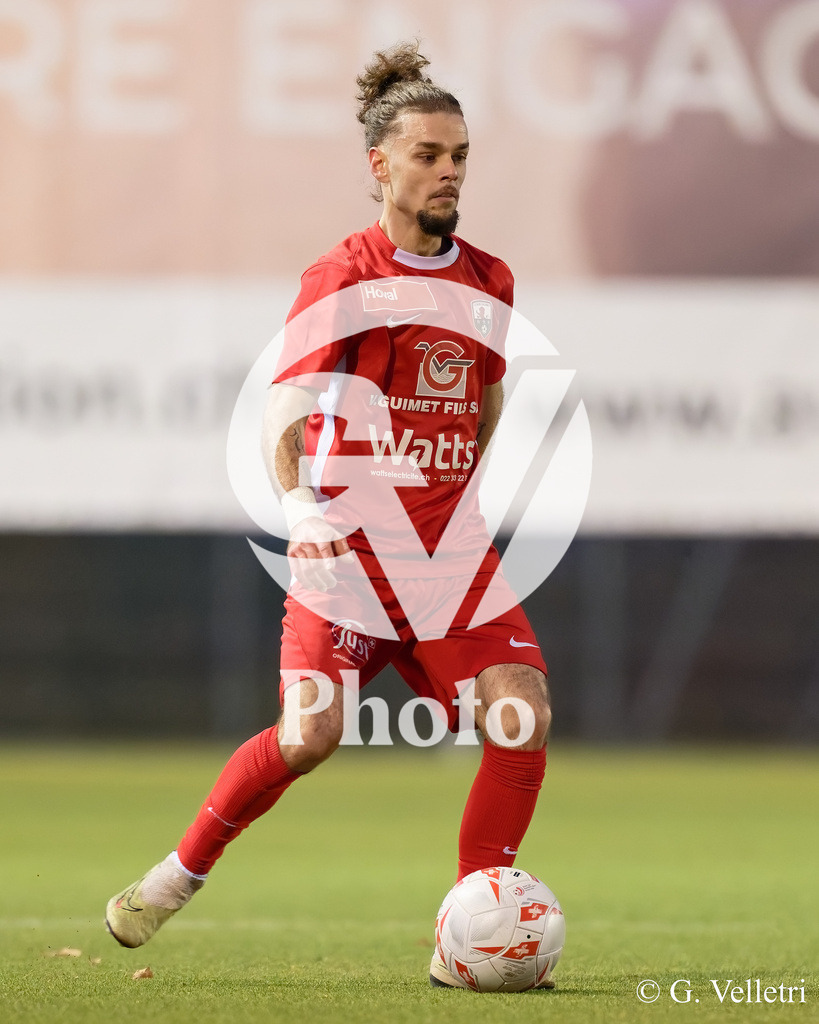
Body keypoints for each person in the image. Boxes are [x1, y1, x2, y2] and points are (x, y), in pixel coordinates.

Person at [105, 41, 553, 990]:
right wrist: (303, 506)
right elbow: (287, 405)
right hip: (345, 562)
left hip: (445, 562)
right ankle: (175, 877)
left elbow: (484, 399)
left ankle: (474, 932)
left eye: (459, 155)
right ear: (379, 165)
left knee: (521, 713)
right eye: (427, 155)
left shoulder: (490, 280)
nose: (448, 171)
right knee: (309, 736)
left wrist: (454, 500)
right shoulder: (342, 275)